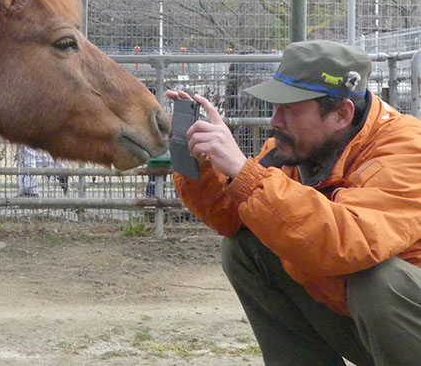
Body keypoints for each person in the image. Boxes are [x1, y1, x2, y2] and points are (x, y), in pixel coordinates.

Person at [167, 40, 421, 366]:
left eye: (290, 109)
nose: (275, 120)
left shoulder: (406, 149)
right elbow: (231, 218)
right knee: (248, 246)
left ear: (342, 113)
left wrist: (245, 173)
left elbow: (348, 242)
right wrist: (202, 162)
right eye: (275, 107)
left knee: (380, 283)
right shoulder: (300, 148)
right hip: (377, 329)